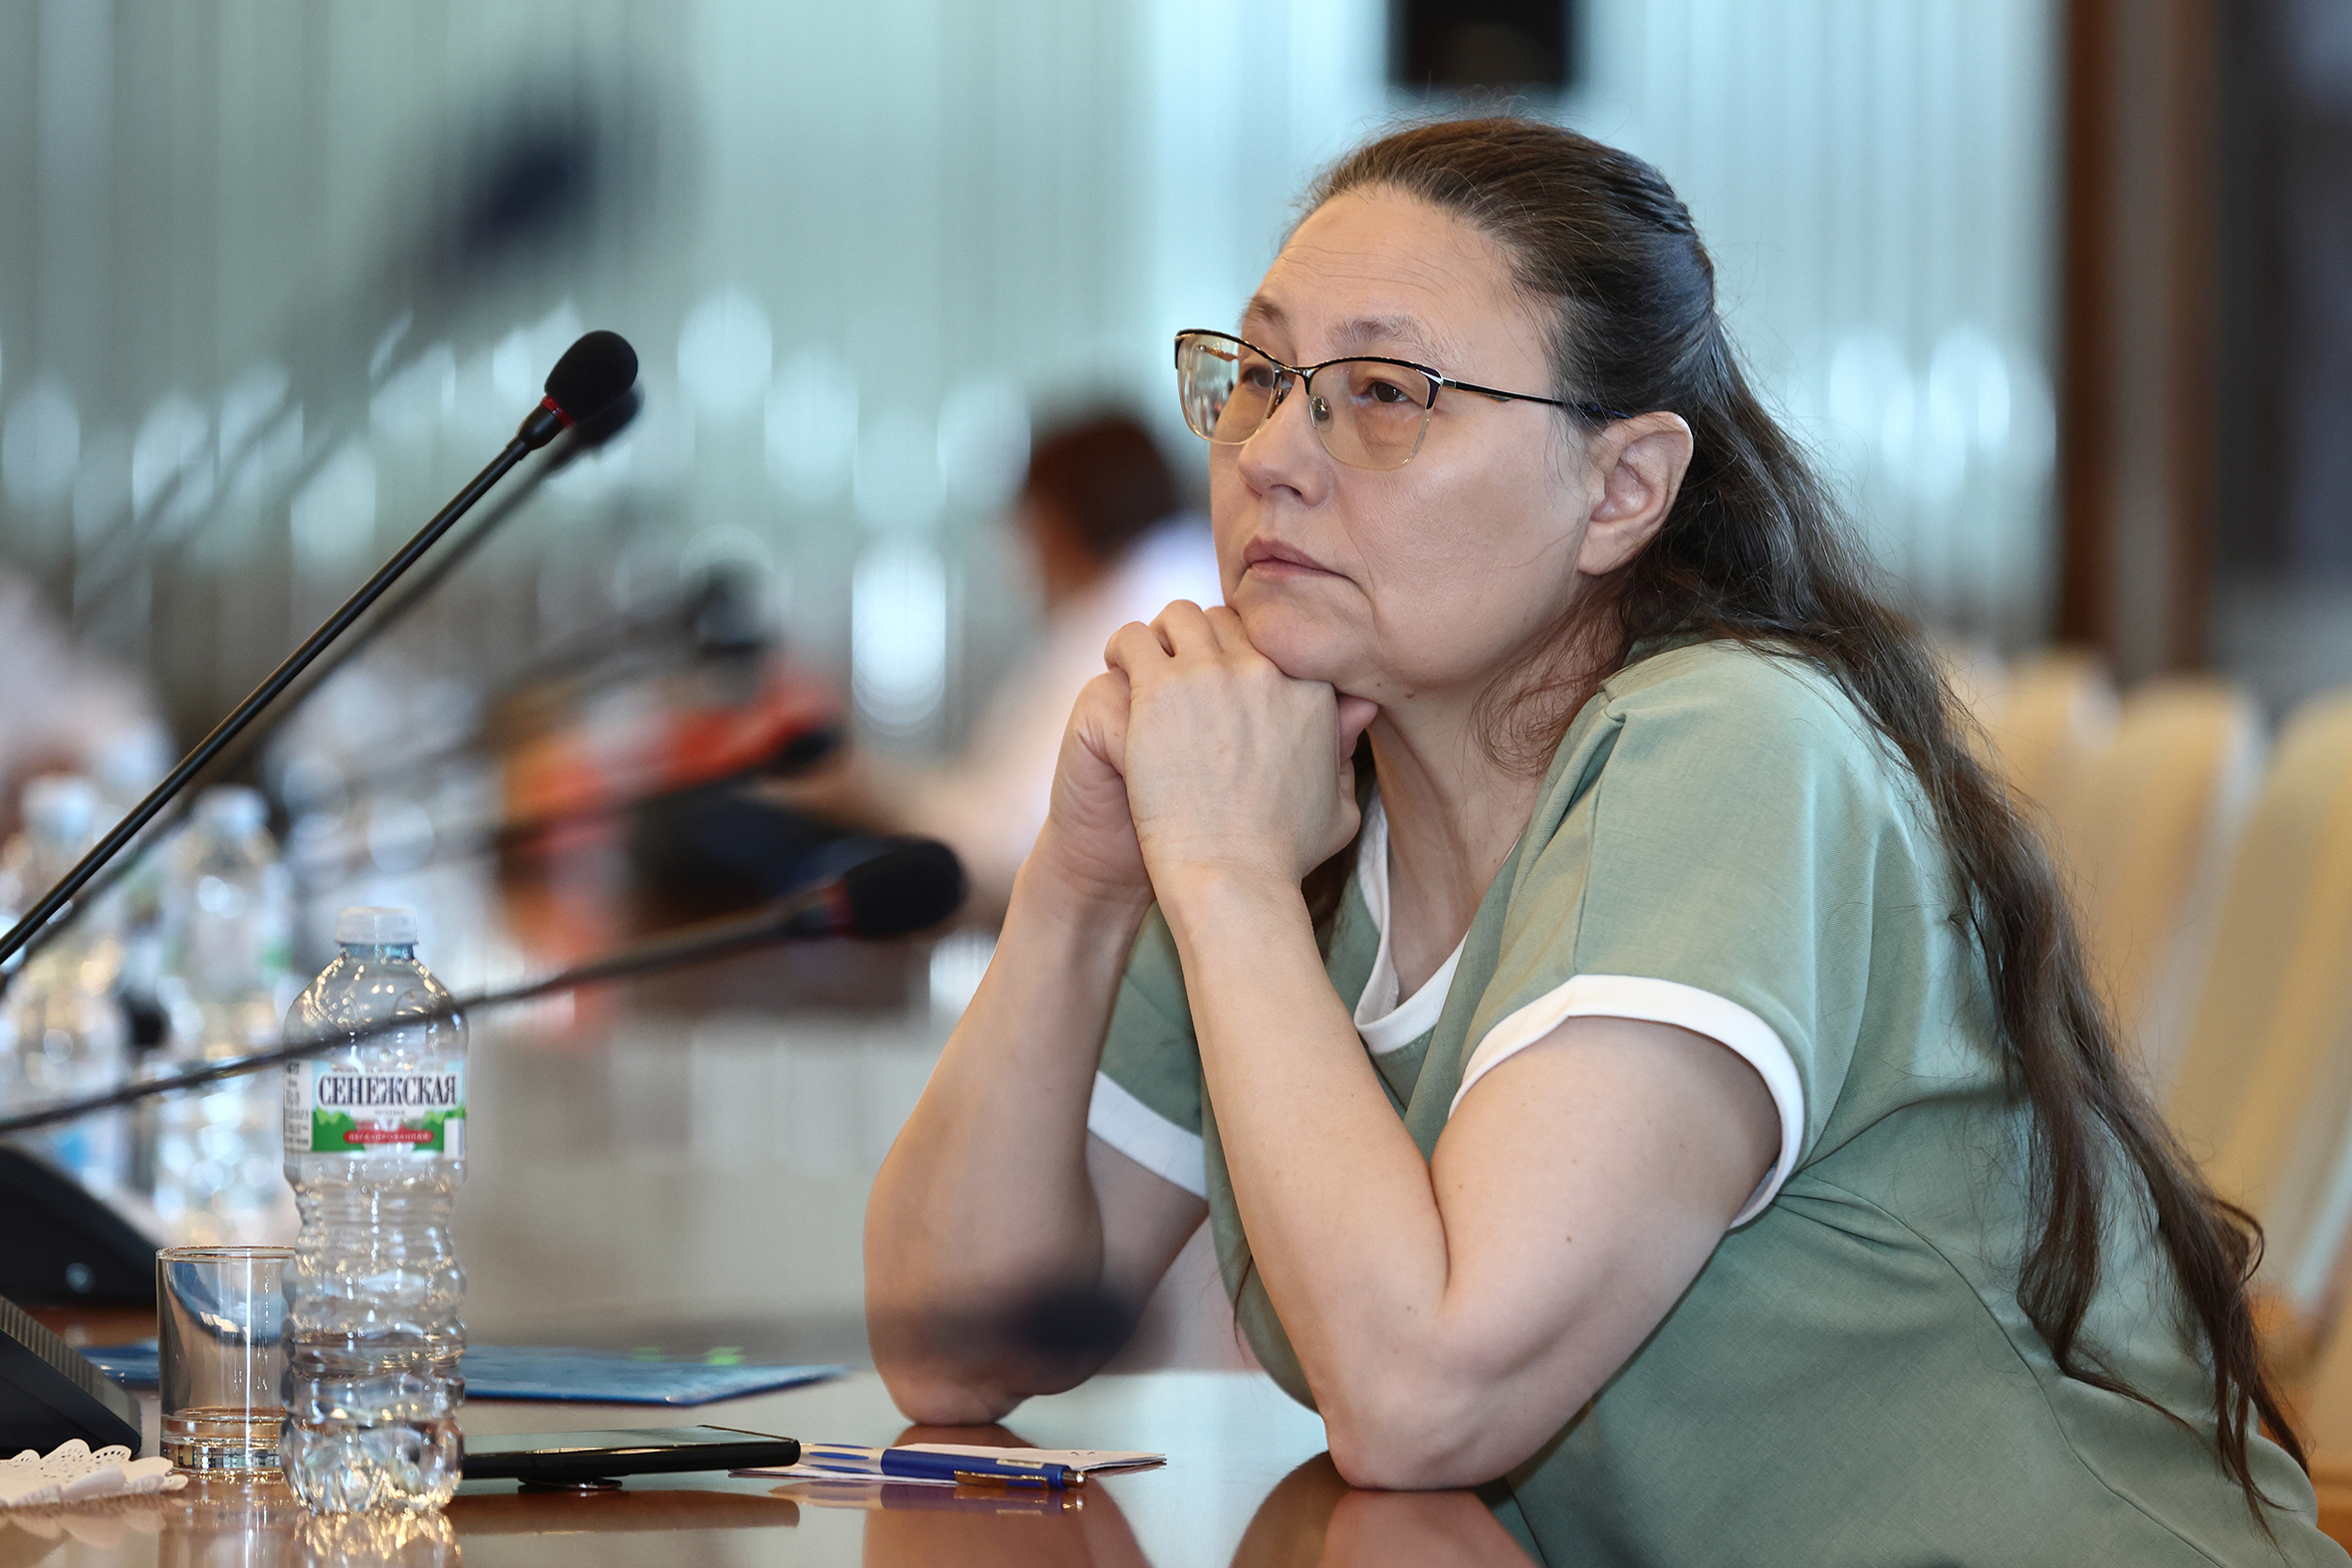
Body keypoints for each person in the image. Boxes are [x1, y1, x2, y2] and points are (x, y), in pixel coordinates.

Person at [863, 118, 2342, 1565]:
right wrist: (1083, 878)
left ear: (1622, 488)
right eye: (1257, 377)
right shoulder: (1294, 805)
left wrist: (1227, 880)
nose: (1271, 457)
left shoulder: (1729, 744)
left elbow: (1420, 1393)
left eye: (1382, 392)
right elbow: (956, 1343)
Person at [794, 413, 1219, 915]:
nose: (1023, 555)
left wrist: (863, 789)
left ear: (1060, 521)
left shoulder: (1134, 623)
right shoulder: (1157, 591)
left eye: (1030, 524)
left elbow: (1013, 843)